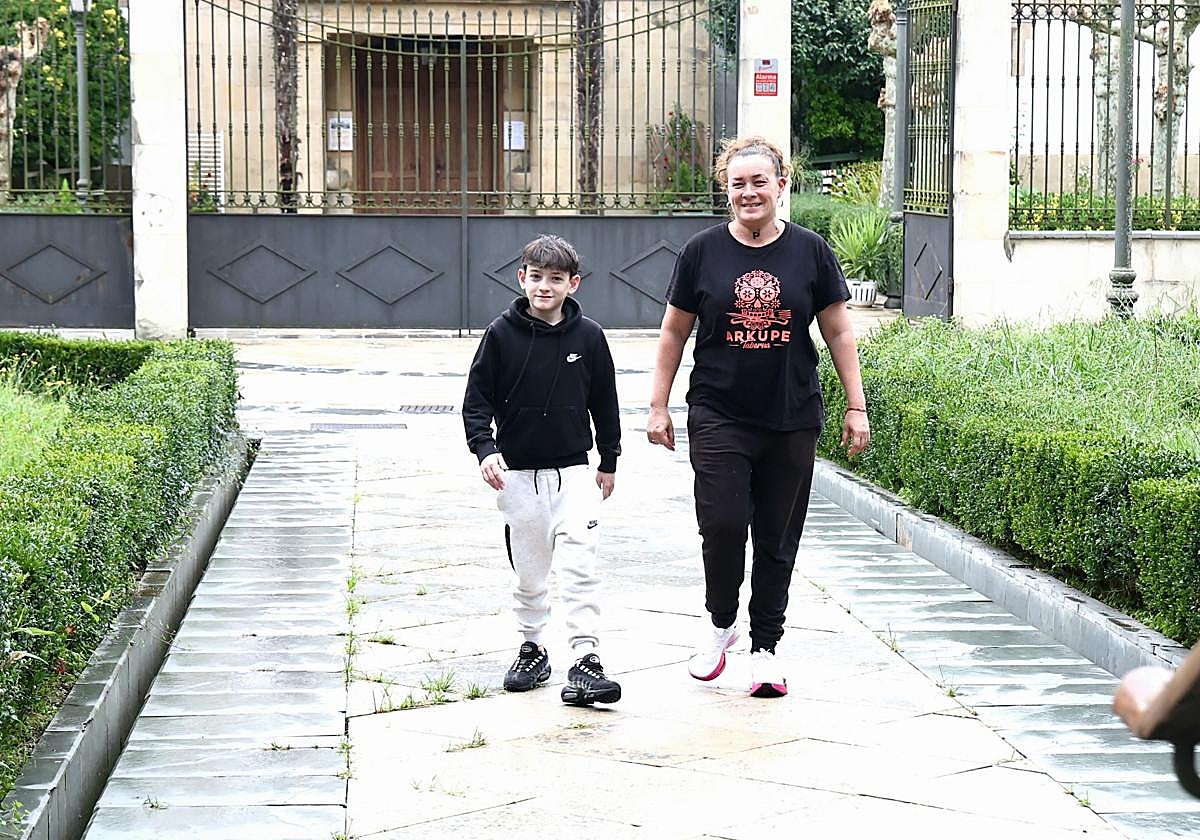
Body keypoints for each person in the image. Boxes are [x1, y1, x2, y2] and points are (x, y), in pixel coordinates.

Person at [646, 136, 871, 699]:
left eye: (759, 182)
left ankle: (766, 647)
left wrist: (856, 405)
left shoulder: (810, 251)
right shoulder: (701, 251)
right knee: (722, 523)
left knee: (777, 535)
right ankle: (722, 623)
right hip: (718, 410)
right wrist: (658, 404)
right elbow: (674, 331)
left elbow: (839, 330)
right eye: (737, 184)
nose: (748, 193)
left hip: (791, 415)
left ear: (781, 185)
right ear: (726, 190)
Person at [462, 234, 624, 706]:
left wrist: (609, 459)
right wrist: (485, 449)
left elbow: (605, 402)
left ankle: (586, 658)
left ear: (573, 284)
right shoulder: (500, 334)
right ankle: (532, 648)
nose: (544, 287)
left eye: (556, 278)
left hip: (575, 475)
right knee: (530, 576)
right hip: (518, 477)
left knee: (580, 568)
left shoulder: (589, 337)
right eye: (536, 277)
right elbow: (477, 400)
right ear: (522, 279)